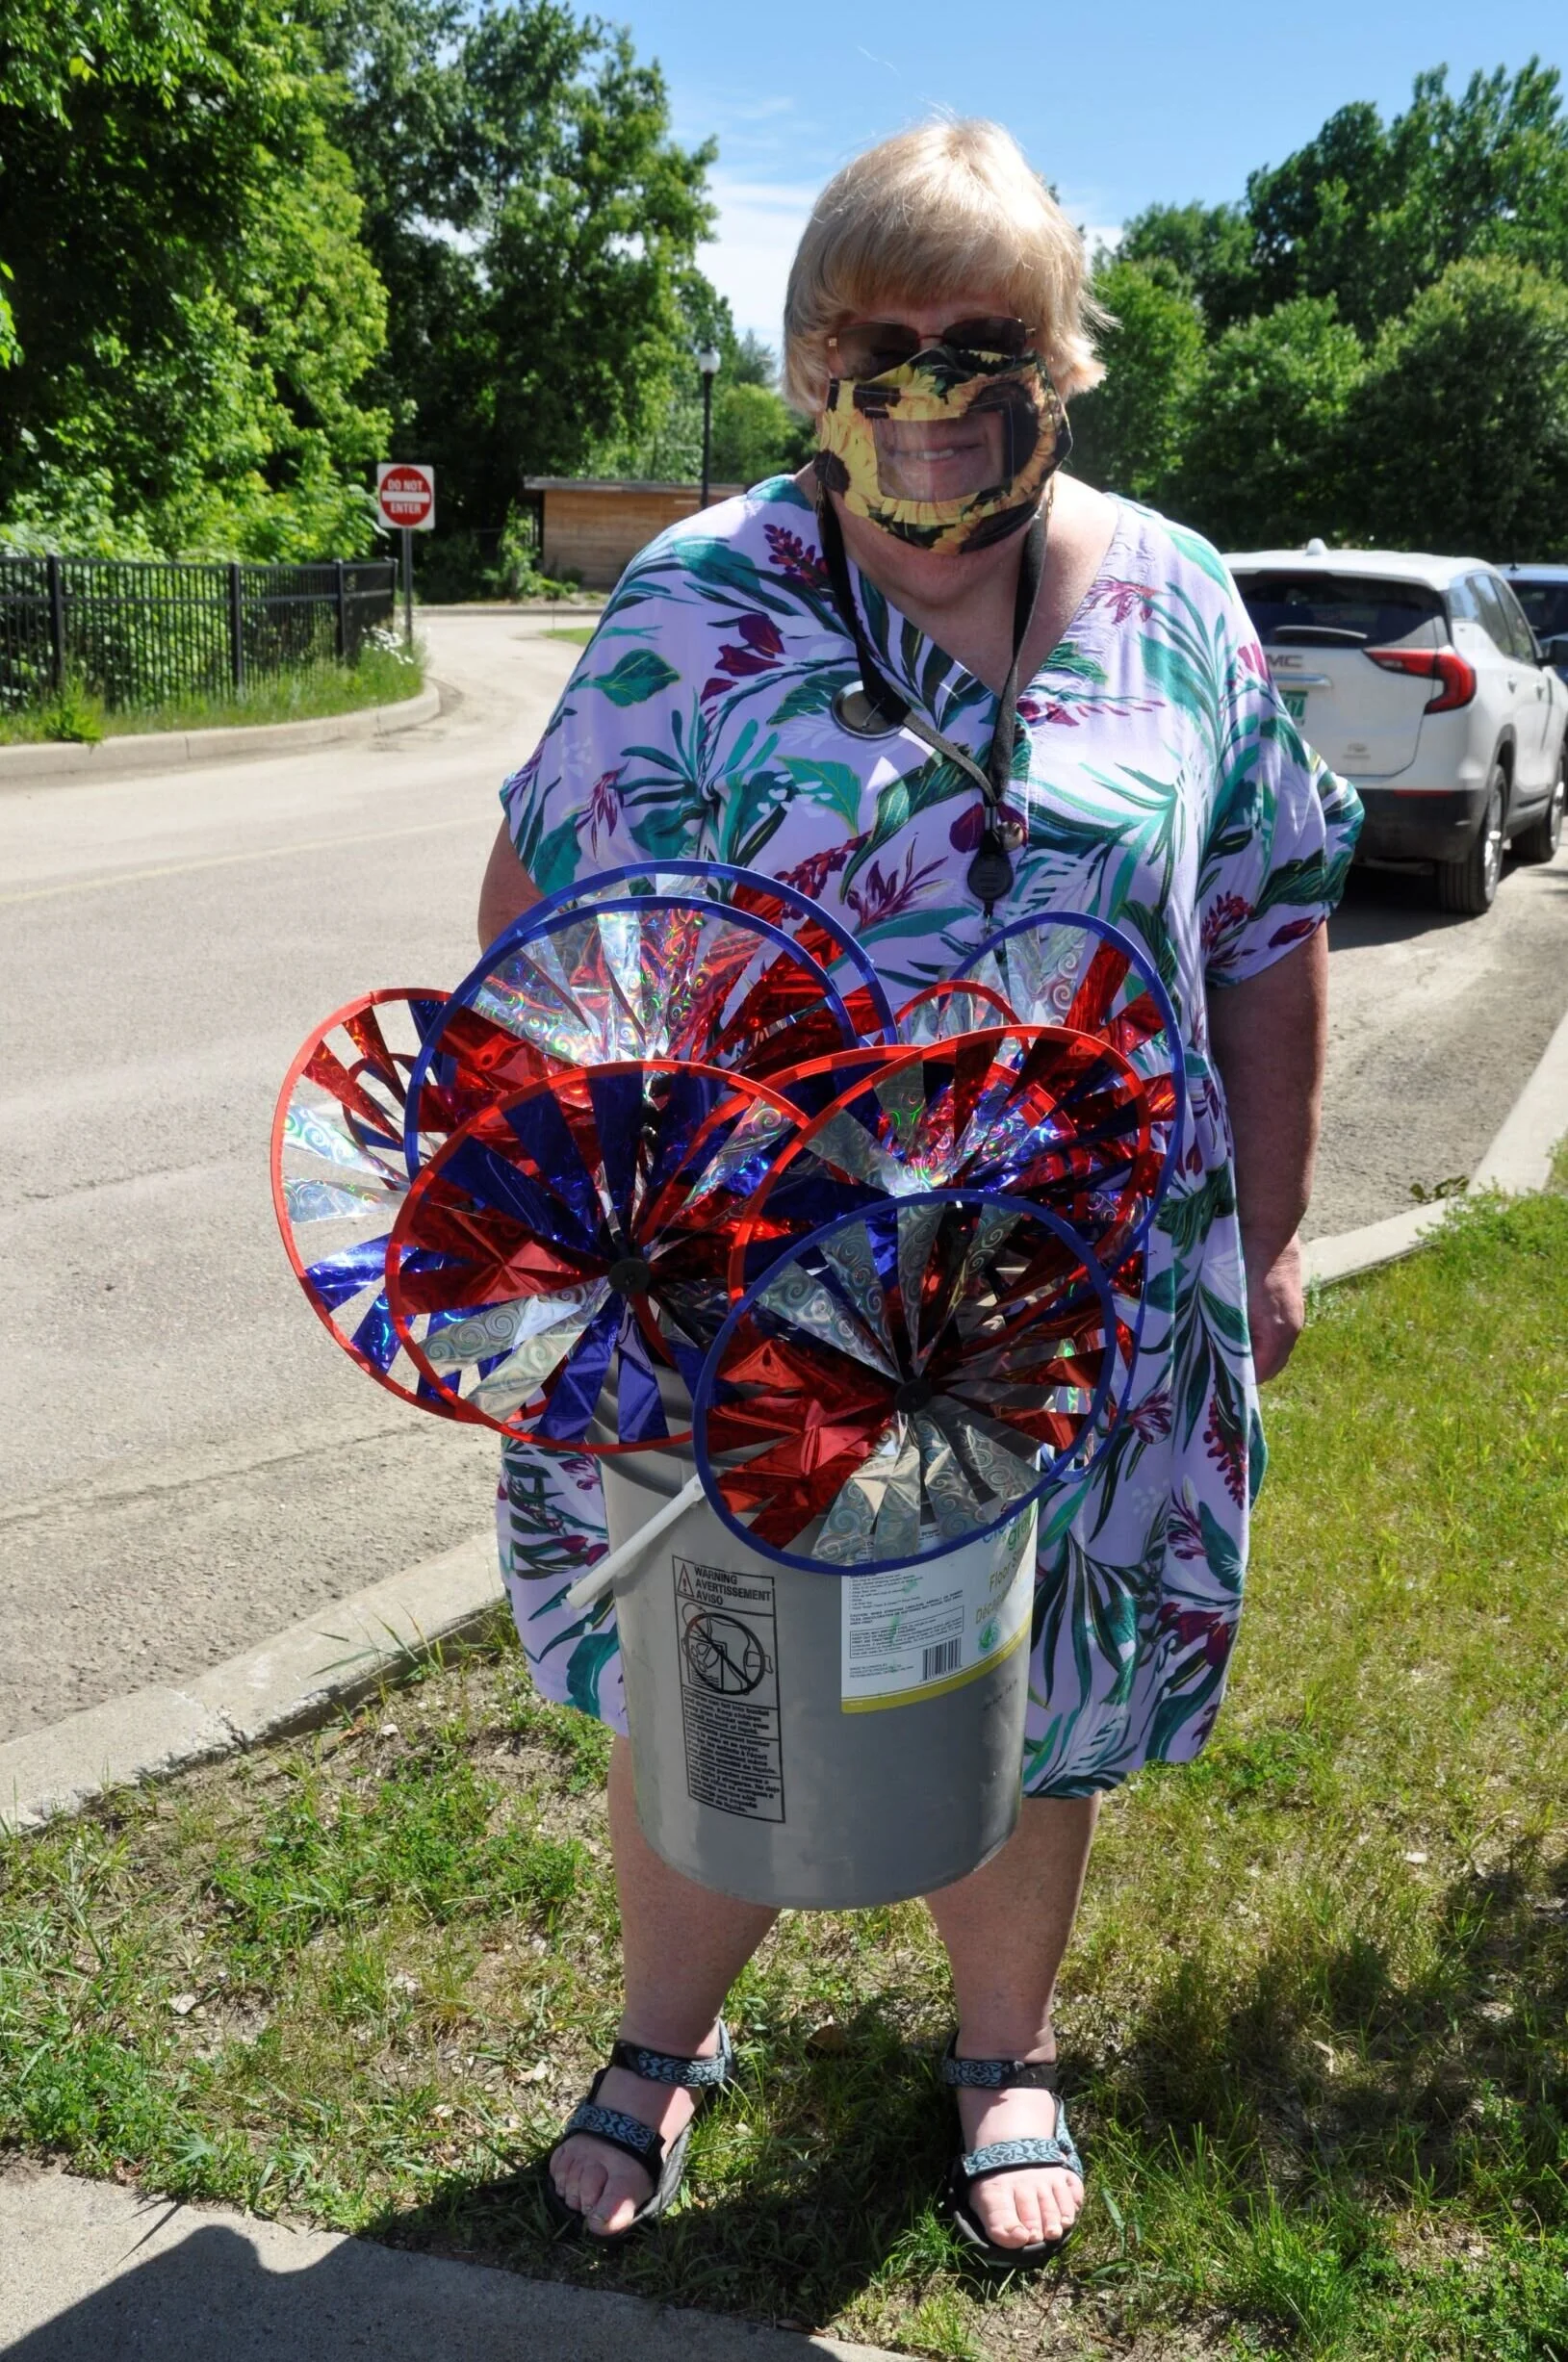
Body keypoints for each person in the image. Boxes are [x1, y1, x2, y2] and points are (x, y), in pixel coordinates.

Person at [475, 117, 1362, 2266]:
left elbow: (1262, 925)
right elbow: (535, 897)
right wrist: (533, 1207)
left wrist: (1272, 1225)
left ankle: (1001, 2054)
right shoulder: (693, 597)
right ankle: (665, 2037)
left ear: (1066, 359)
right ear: (805, 364)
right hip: (741, 1281)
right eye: (878, 339)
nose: (934, 393)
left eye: (989, 340)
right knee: (716, 1652)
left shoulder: (1178, 598)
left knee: (1032, 1677)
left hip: (1078, 1296)